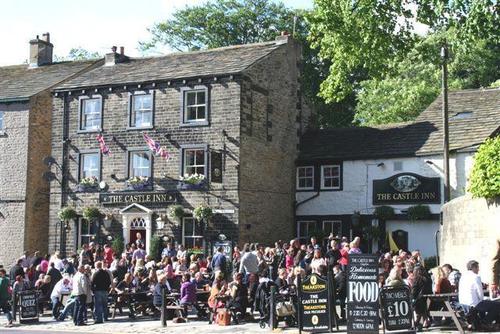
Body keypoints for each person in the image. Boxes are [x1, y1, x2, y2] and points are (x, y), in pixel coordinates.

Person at [459, 260, 500, 329]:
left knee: (490, 304)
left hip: (463, 303)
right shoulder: (476, 277)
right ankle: (485, 322)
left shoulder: (463, 277)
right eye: (477, 267)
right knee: (497, 305)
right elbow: (480, 295)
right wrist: (487, 299)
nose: (478, 269)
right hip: (473, 304)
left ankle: (488, 323)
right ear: (473, 268)